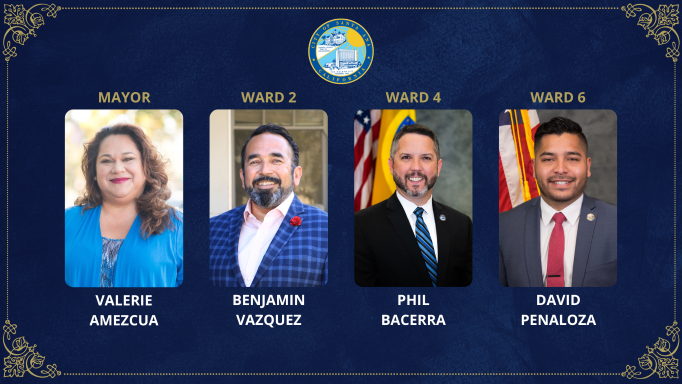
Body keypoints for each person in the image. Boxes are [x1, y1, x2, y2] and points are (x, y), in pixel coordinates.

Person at [499, 117, 617, 287]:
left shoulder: (619, 224)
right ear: (533, 168)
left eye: (572, 159)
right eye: (548, 159)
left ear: (588, 166)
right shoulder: (503, 227)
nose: (560, 169)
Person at [210, 124, 328, 287]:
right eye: (254, 161)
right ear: (243, 177)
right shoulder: (212, 229)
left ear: (296, 175)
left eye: (276, 160)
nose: (265, 170)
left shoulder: (327, 230)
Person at [65, 123, 183, 287]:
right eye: (106, 161)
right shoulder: (66, 222)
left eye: (128, 159)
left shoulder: (178, 228)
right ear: (94, 172)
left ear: (146, 167)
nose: (118, 168)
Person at [355, 124, 472, 287]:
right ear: (391, 166)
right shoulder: (361, 225)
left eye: (426, 158)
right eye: (406, 157)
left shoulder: (462, 224)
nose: (416, 168)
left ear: (438, 167)